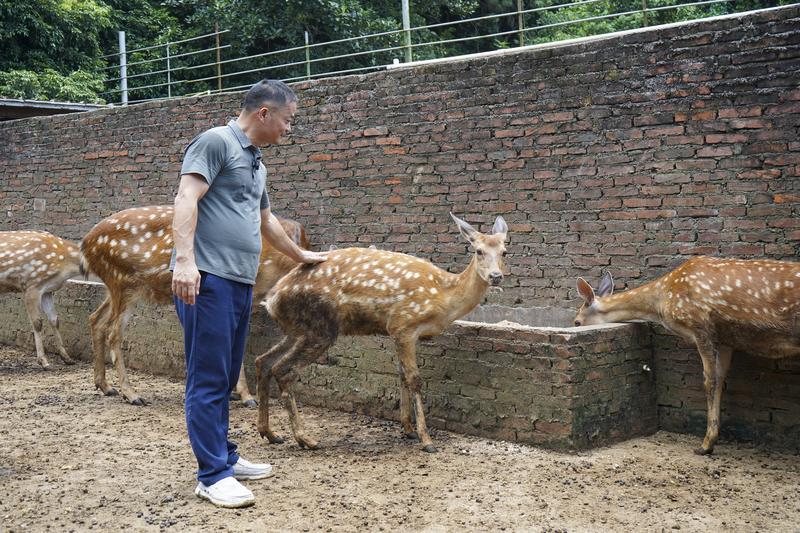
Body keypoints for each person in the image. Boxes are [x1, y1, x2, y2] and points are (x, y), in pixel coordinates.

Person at [170, 79, 327, 508]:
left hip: (240, 282)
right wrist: (185, 261)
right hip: (207, 278)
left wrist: (300, 255)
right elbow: (186, 197)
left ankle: (224, 456)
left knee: (224, 375)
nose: (289, 128)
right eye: (288, 120)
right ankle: (212, 475)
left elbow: (266, 219)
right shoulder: (215, 142)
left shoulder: (256, 160)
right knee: (208, 377)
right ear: (264, 113)